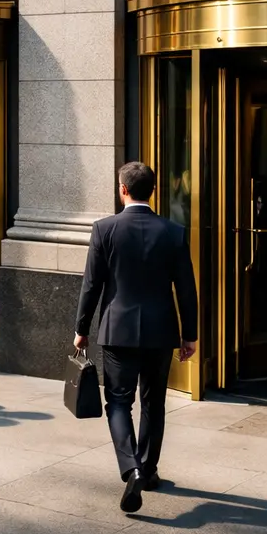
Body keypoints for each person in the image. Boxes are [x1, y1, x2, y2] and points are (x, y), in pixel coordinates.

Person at [74, 161, 198, 515]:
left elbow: (91, 285)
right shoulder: (173, 232)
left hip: (118, 330)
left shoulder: (105, 229)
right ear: (153, 191)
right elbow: (186, 289)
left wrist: (81, 329)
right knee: (154, 402)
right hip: (161, 331)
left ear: (122, 190)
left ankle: (132, 468)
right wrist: (190, 335)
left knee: (117, 402)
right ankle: (150, 469)